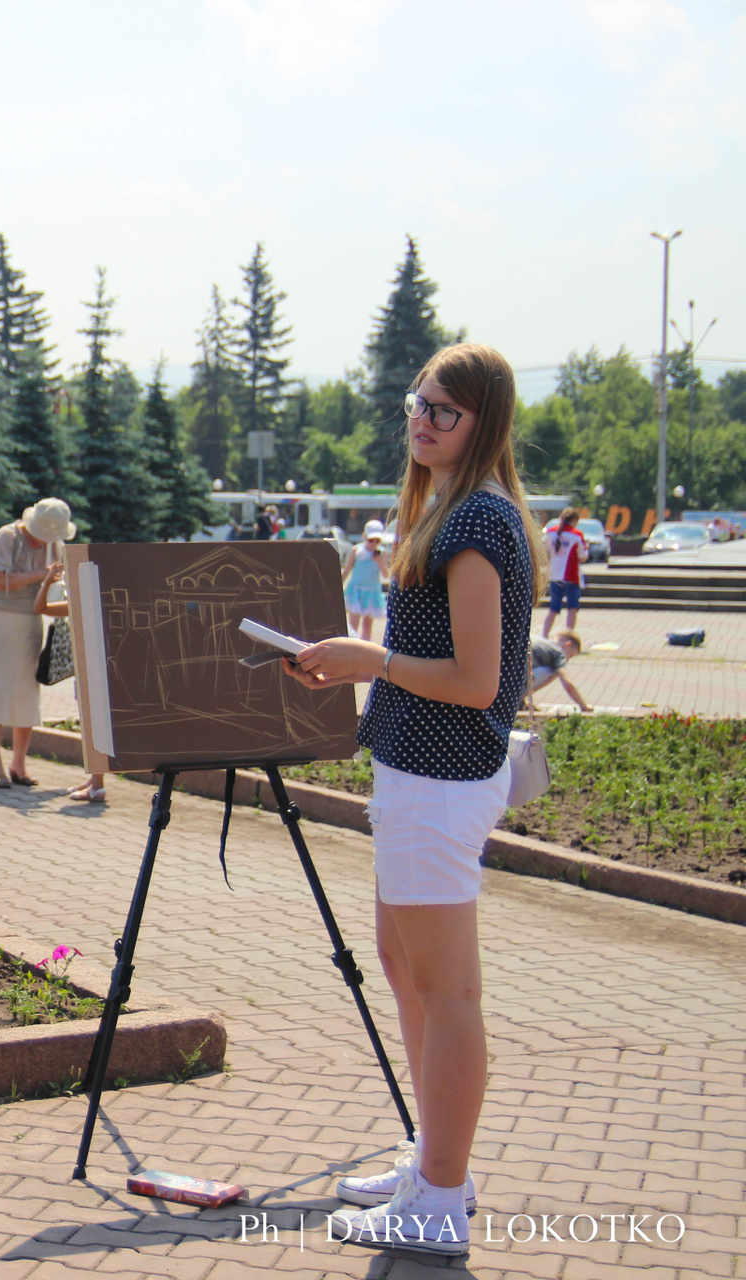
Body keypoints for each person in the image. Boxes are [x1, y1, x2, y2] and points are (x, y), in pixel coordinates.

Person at [278, 343, 542, 1257]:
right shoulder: (452, 509)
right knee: (405, 968)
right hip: (419, 773)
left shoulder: (477, 522)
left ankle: (440, 1197)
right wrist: (362, 668)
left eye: (443, 411)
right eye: (416, 404)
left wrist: (371, 661)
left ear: (482, 422)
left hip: (442, 780)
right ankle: (434, 1163)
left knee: (447, 990)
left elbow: (477, 681)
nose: (421, 422)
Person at [0, 498, 74, 789]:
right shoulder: (8, 536)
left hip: (30, 620)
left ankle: (19, 764)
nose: (46, 539)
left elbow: (57, 585)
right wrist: (42, 574)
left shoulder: (54, 544)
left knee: (26, 690)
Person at [32, 560, 106, 804]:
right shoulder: (85, 604)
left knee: (94, 728)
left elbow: (40, 607)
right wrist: (49, 580)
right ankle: (95, 780)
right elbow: (40, 607)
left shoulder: (84, 606)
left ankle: (97, 785)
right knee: (91, 726)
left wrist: (48, 581)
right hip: (87, 673)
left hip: (92, 674)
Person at [543, 507, 587, 637]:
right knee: (572, 607)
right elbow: (582, 556)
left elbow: (545, 551)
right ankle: (568, 635)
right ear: (574, 520)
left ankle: (544, 635)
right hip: (571, 575)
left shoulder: (550, 532)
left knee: (553, 607)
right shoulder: (576, 535)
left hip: (554, 574)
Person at [342, 518, 390, 641]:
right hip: (356, 590)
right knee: (353, 625)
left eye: (377, 541)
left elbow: (386, 575)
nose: (374, 544)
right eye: (371, 540)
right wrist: (338, 585)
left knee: (367, 626)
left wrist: (380, 562)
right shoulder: (356, 550)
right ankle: (351, 647)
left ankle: (365, 648)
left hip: (372, 592)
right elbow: (347, 570)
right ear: (364, 536)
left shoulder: (382, 553)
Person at [527, 630, 591, 713]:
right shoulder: (558, 653)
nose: (567, 660)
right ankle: (519, 698)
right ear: (567, 645)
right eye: (570, 656)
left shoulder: (540, 640)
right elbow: (567, 684)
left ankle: (520, 700)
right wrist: (583, 705)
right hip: (516, 677)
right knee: (554, 671)